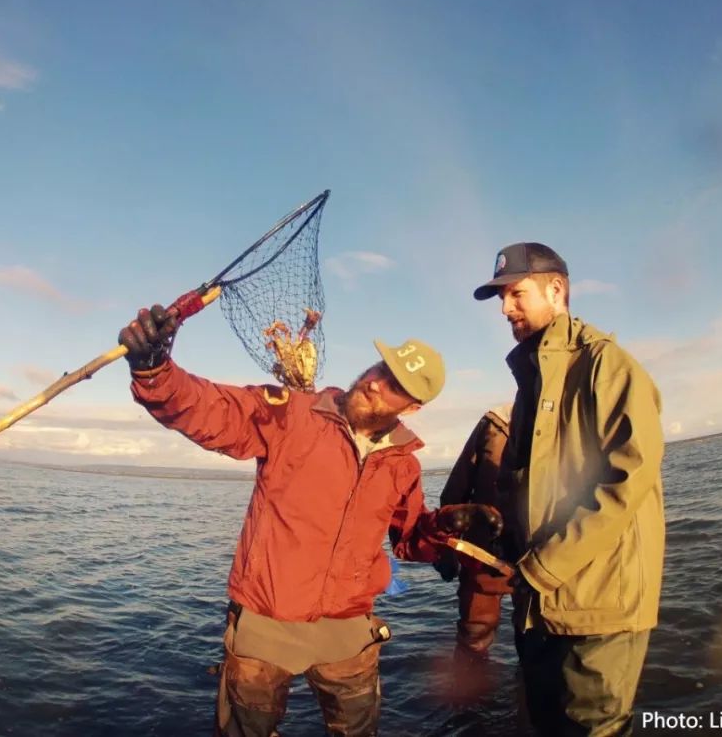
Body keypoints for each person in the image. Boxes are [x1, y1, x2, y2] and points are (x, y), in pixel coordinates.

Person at [118, 304, 501, 737]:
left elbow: (410, 540)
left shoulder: (403, 465)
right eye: (382, 368)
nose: (375, 382)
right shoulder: (291, 414)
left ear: (411, 408)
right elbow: (213, 410)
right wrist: (154, 371)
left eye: (394, 385)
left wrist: (451, 525)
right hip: (265, 623)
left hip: (348, 632)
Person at [472, 242, 665, 736]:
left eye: (515, 294)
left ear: (556, 290)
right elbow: (523, 485)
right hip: (538, 605)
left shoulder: (607, 364)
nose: (505, 309)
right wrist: (503, 544)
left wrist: (543, 567)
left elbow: (629, 479)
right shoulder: (531, 380)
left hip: (599, 607)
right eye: (501, 298)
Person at [433, 403, 514, 694]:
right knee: (474, 636)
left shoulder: (576, 419)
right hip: (484, 556)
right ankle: (468, 702)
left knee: (540, 641)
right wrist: (445, 548)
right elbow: (455, 491)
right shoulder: (496, 422)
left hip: (545, 558)